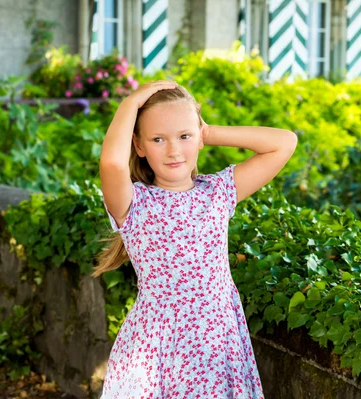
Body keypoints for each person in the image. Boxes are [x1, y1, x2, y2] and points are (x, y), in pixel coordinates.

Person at [91, 80, 297, 398]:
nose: (174, 150)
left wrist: (208, 132)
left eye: (184, 136)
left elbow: (284, 143)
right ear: (139, 145)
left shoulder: (218, 192)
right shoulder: (133, 203)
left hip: (218, 348)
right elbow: (112, 163)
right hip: (159, 351)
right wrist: (129, 104)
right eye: (158, 139)